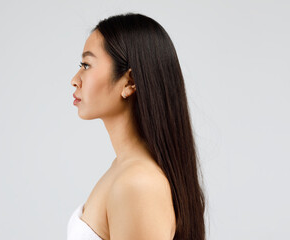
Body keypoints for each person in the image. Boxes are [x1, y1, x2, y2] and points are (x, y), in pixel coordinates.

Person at [68, 12, 206, 240]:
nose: (75, 79)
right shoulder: (126, 170)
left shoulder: (137, 183)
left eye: (86, 65)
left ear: (130, 82)